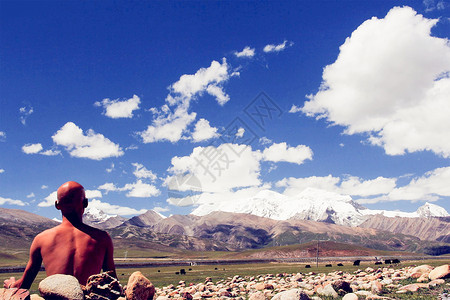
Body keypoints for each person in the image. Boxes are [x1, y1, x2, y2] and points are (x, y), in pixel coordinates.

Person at [3, 181, 116, 290]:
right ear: (86, 203)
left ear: (57, 205)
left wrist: (10, 285)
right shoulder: (102, 238)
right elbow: (112, 284)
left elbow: (24, 285)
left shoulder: (41, 239)